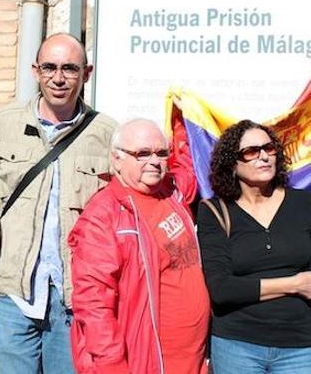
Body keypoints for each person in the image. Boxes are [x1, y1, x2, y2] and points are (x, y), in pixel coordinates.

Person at [0, 33, 117, 374]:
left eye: (70, 69)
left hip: (75, 299)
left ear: (87, 73)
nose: (58, 78)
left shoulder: (108, 134)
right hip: (14, 296)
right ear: (35, 71)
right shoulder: (1, 126)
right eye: (50, 68)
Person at [197, 120, 311, 374]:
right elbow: (222, 288)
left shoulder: (304, 203)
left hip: (299, 346)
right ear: (232, 164)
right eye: (251, 152)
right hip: (237, 345)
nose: (264, 157)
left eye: (269, 149)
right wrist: (294, 284)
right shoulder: (214, 211)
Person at [69, 117, 209, 373]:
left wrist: (183, 118)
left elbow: (190, 163)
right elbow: (93, 304)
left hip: (193, 361)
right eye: (142, 154)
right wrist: (112, 367)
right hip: (144, 362)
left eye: (161, 153)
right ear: (117, 159)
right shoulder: (103, 216)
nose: (154, 161)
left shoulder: (172, 191)